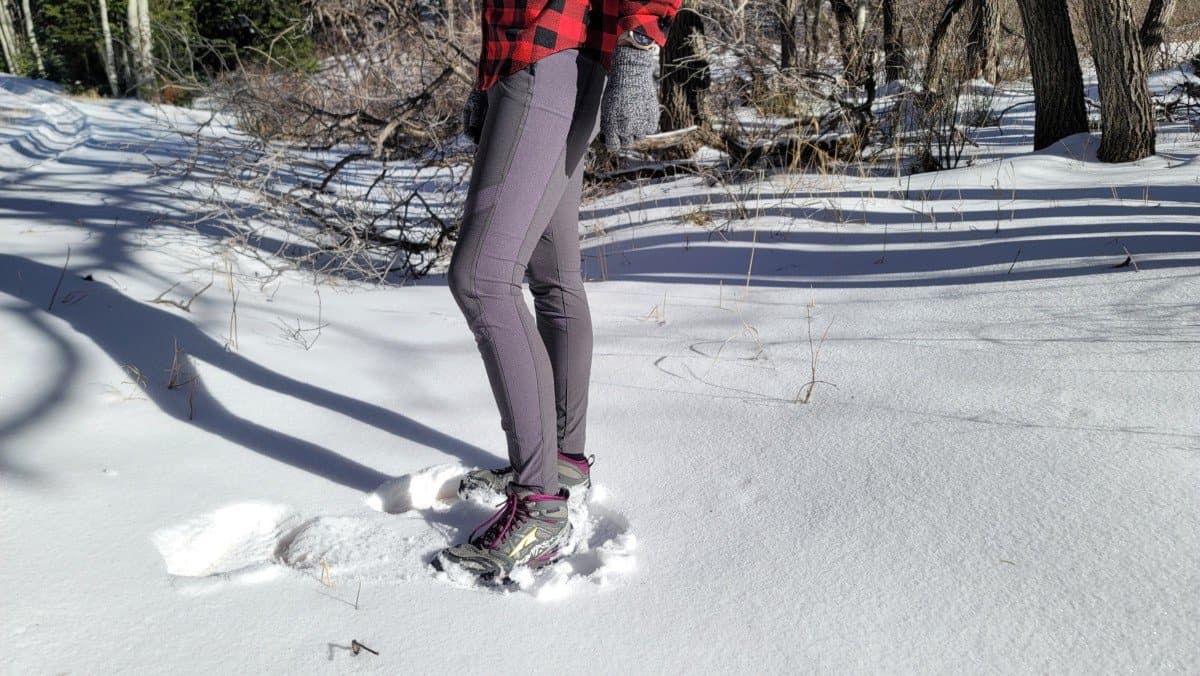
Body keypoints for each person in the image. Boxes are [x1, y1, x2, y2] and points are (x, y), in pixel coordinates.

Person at [434, 0, 681, 579]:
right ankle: (562, 463)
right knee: (552, 273)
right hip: (529, 59)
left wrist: (641, 48)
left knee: (480, 280)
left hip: (554, 59)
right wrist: (487, 78)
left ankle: (540, 510)